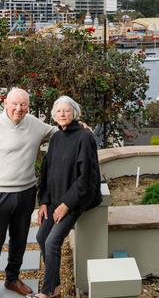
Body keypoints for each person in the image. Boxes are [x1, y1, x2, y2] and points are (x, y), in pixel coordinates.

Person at [0, 88, 57, 298]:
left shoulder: (35, 124)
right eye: (15, 104)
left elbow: (57, 132)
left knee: (19, 240)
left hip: (26, 193)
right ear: (5, 104)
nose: (19, 109)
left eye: (23, 105)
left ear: (28, 106)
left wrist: (78, 127)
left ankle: (12, 279)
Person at [34, 96, 102, 298]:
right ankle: (54, 287)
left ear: (75, 113)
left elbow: (86, 177)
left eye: (66, 110)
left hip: (76, 200)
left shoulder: (84, 136)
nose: (62, 114)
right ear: (54, 115)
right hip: (54, 200)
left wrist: (66, 204)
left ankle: (48, 292)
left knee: (52, 242)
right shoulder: (56, 137)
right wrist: (44, 202)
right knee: (41, 237)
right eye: (58, 111)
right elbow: (46, 172)